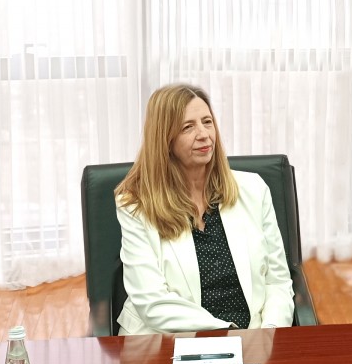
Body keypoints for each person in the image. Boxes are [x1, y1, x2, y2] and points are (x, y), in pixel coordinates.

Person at [114, 83, 295, 335]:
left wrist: (269, 333)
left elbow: (277, 281)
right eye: (188, 127)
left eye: (207, 122)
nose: (203, 134)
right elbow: (152, 302)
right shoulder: (136, 205)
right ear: (164, 139)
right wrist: (228, 333)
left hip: (253, 337)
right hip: (166, 340)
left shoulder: (254, 189)